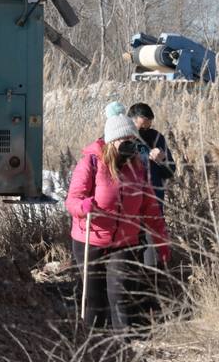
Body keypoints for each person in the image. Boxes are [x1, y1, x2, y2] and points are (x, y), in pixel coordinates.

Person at [67, 114, 170, 330]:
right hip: (91, 240)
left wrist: (161, 243)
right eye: (125, 140)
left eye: (133, 140)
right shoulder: (91, 163)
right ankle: (93, 349)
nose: (129, 145)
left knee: (120, 296)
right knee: (94, 300)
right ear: (111, 141)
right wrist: (84, 207)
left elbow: (151, 210)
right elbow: (73, 200)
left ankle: (124, 349)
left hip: (124, 242)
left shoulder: (137, 168)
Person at [129, 101, 177, 272]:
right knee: (131, 254)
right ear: (130, 122)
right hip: (129, 207)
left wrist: (163, 159)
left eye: (148, 127)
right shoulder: (122, 139)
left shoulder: (157, 138)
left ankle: (154, 285)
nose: (144, 132)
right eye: (141, 127)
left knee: (153, 255)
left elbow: (171, 171)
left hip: (154, 204)